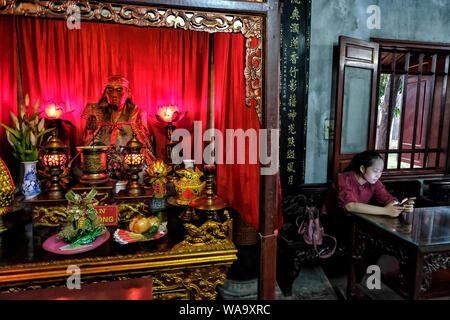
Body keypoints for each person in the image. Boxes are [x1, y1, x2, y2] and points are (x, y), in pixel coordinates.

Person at [80, 75, 156, 180]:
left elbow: (144, 141)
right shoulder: (98, 113)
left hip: (129, 160)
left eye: (119, 91)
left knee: (144, 172)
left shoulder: (136, 113)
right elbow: (90, 142)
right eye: (110, 91)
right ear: (105, 94)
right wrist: (90, 128)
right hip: (104, 161)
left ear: (128, 93)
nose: (114, 95)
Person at [322, 151, 415, 217]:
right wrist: (385, 211)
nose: (378, 175)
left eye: (380, 172)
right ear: (362, 169)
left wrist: (402, 207)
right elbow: (350, 206)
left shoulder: (374, 182)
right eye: (375, 171)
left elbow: (387, 198)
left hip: (358, 219)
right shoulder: (343, 178)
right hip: (333, 219)